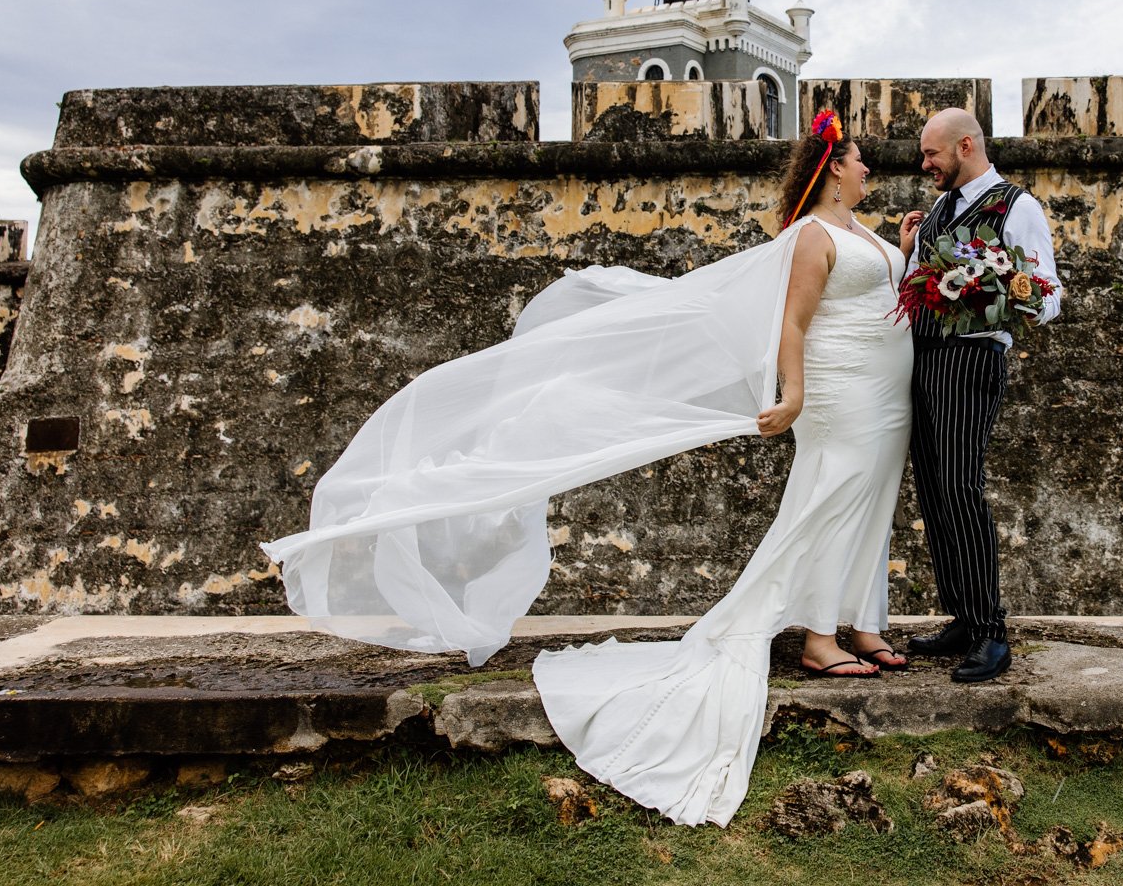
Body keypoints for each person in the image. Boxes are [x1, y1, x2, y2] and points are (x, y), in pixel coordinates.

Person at [260, 112, 915, 826]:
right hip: (838, 390)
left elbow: (883, 292)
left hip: (884, 395)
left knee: (871, 500)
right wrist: (792, 392)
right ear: (832, 167)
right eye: (858, 162)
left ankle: (860, 622)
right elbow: (791, 322)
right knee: (827, 499)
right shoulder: (811, 236)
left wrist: (904, 249)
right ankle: (819, 637)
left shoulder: (863, 233)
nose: (868, 172)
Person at [901, 108, 1063, 683]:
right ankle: (964, 618)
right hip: (923, 359)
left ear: (965, 145)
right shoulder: (939, 210)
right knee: (933, 488)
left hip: (973, 360)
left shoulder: (1018, 207)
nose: (925, 165)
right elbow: (916, 290)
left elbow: (1049, 294)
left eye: (932, 154)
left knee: (962, 486)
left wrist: (1001, 287)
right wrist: (908, 254)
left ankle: (992, 634)